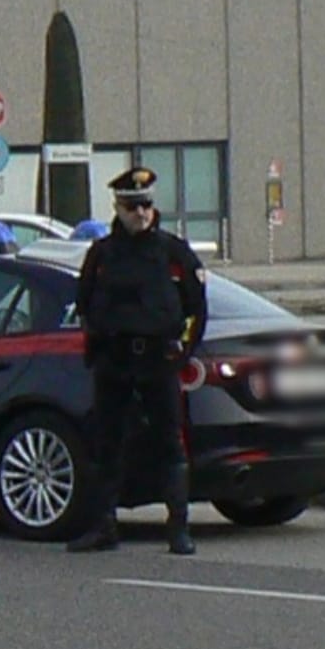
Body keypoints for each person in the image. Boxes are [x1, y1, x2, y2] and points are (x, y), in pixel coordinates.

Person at [67, 167, 208, 555]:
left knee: (169, 444)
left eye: (146, 205)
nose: (141, 213)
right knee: (106, 445)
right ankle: (103, 526)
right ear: (117, 207)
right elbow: (85, 305)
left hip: (157, 363)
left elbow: (196, 308)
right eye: (132, 206)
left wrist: (182, 351)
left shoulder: (172, 251)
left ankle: (178, 528)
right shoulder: (101, 255)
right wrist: (95, 347)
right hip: (114, 362)